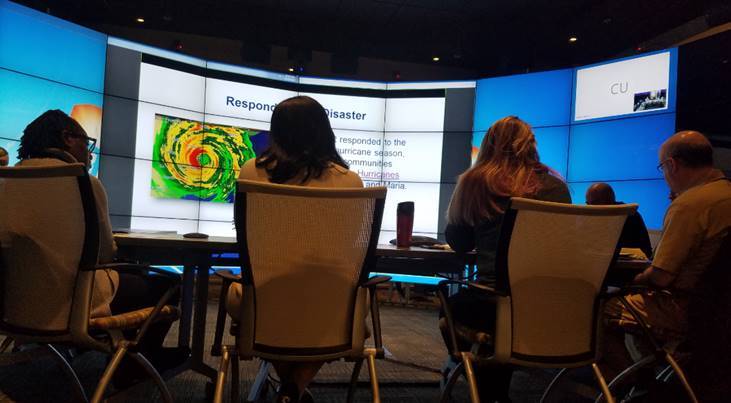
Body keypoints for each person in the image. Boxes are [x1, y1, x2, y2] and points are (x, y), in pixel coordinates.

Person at [15, 110, 187, 386]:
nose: (89, 152)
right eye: (87, 143)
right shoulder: (84, 183)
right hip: (72, 305)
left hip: (15, 306)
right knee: (169, 284)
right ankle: (132, 364)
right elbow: (105, 255)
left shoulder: (8, 180)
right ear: (68, 138)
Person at [226, 96, 362, 403]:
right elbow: (351, 242)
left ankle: (291, 387)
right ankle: (294, 388)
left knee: (255, 305)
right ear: (325, 131)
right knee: (329, 314)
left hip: (265, 301)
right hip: (330, 304)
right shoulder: (350, 181)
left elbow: (243, 231)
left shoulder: (251, 171)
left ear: (276, 132)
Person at [443, 116, 571, 402]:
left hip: (493, 303)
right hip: (549, 305)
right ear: (531, 145)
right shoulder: (556, 188)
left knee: (450, 309)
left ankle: (484, 387)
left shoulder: (477, 182)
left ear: (489, 145)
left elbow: (460, 242)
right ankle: (494, 389)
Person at [603, 130, 731, 376]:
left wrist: (628, 283)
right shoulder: (724, 194)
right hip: (719, 310)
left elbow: (661, 277)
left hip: (687, 308)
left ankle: (638, 386)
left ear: (672, 165)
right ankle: (668, 377)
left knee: (601, 310)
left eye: (662, 167)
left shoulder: (690, 204)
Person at [585, 182, 654, 258]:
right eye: (588, 204)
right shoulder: (593, 217)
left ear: (609, 201)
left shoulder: (627, 214)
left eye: (594, 203)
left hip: (635, 260)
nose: (590, 207)